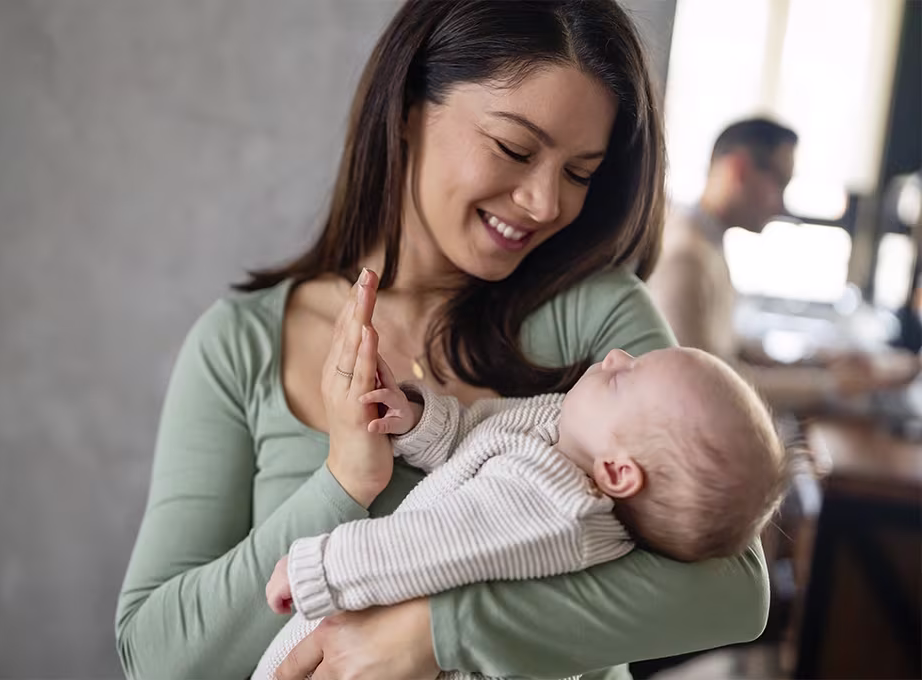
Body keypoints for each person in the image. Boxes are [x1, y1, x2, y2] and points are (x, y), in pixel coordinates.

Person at [115, 3, 772, 679]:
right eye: (514, 149)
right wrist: (344, 481)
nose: (547, 203)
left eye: (579, 173)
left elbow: (736, 592)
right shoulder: (246, 344)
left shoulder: (597, 322)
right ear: (407, 107)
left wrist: (437, 633)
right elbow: (156, 656)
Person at [253, 320, 788, 680]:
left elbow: (434, 545)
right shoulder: (568, 430)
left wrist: (320, 567)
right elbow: (480, 435)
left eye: (625, 380)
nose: (618, 355)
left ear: (618, 472)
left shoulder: (559, 510)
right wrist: (417, 422)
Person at [647, 117, 919, 411]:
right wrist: (831, 385)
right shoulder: (686, 257)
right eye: (780, 183)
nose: (781, 205)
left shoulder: (705, 239)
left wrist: (820, 363)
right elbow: (704, 388)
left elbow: (725, 353)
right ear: (739, 169)